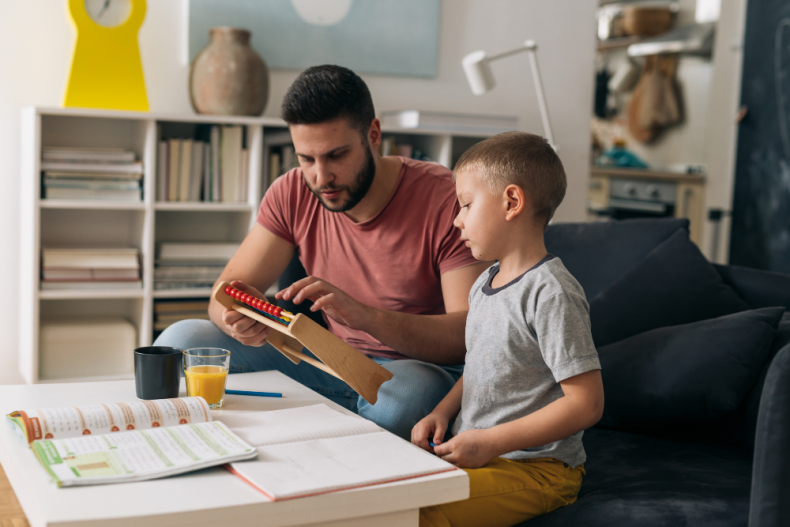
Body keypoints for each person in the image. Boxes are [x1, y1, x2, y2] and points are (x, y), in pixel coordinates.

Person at [155, 65, 487, 439]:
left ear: (373, 135)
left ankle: (325, 424)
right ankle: (341, 422)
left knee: (402, 401)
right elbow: (225, 292)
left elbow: (468, 335)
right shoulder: (292, 191)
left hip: (410, 369)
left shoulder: (445, 198)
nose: (320, 177)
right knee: (180, 342)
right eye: (306, 159)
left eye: (336, 156)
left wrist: (365, 317)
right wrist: (237, 320)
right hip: (328, 361)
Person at [411, 132, 604, 527]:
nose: (456, 219)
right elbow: (482, 365)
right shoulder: (485, 284)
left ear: (512, 202)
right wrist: (442, 412)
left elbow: (587, 404)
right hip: (480, 456)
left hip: (537, 470)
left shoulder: (552, 293)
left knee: (419, 513)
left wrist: (491, 442)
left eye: (465, 205)